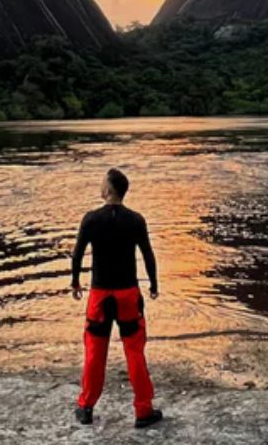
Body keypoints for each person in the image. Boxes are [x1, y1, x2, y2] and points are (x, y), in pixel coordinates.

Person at [70, 167, 163, 429]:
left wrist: (75, 282)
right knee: (134, 351)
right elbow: (148, 255)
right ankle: (143, 411)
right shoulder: (136, 220)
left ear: (108, 190)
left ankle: (86, 407)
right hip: (128, 294)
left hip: (100, 295)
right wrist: (154, 284)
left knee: (94, 352)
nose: (100, 187)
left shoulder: (90, 219)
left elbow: (77, 255)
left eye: (102, 183)